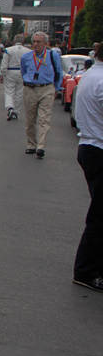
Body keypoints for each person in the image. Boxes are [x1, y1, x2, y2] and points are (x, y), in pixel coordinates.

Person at [73, 47, 103, 291]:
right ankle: (86, 271)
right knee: (99, 217)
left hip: (90, 146)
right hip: (98, 148)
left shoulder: (91, 75)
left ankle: (91, 268)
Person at [20, 31, 63, 158]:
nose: (36, 44)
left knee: (44, 119)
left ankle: (41, 146)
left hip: (47, 88)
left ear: (45, 43)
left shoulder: (53, 56)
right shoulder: (26, 57)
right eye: (34, 41)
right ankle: (31, 144)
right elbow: (23, 71)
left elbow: (58, 73)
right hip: (30, 89)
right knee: (30, 119)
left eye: (39, 42)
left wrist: (56, 88)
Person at [0, 38, 30, 121]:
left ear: (14, 41)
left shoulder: (8, 50)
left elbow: (4, 64)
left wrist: (2, 74)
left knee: (9, 91)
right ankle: (16, 111)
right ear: (23, 42)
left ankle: (9, 107)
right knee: (19, 92)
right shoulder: (28, 51)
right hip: (22, 72)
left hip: (10, 71)